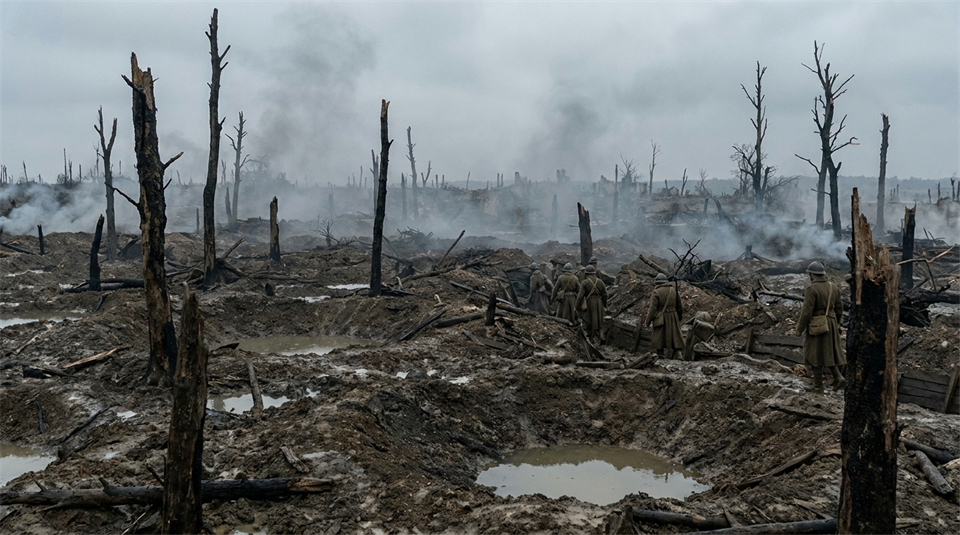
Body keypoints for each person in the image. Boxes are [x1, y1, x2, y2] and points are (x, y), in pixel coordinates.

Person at [796, 261, 846, 393]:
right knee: (828, 353)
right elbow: (840, 309)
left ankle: (818, 386)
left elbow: (806, 312)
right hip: (831, 323)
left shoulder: (811, 289)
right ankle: (838, 377)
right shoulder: (833, 287)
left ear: (812, 275)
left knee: (815, 354)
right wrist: (837, 324)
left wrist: (799, 329)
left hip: (817, 325)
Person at [647, 273, 684, 358]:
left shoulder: (656, 292)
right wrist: (679, 316)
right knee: (675, 335)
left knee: (659, 336)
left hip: (661, 317)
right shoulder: (673, 290)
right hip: (673, 316)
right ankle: (678, 353)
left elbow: (652, 309)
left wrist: (648, 321)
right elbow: (680, 306)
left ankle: (660, 355)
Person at [576, 264, 608, 343]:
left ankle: (589, 338)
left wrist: (576, 306)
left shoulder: (584, 282)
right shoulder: (600, 281)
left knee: (587, 320)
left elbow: (580, 296)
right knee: (599, 320)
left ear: (586, 274)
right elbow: (605, 294)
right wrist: (603, 304)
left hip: (589, 302)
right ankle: (600, 335)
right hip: (599, 302)